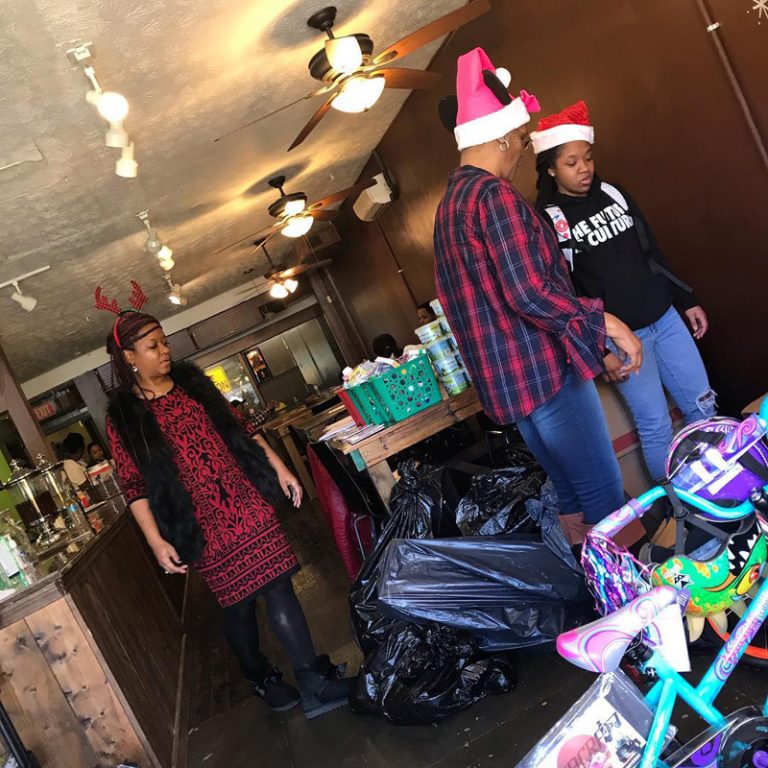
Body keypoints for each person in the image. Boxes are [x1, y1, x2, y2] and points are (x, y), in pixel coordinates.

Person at [433, 48, 643, 544]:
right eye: (523, 140)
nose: (522, 151)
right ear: (503, 135)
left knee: (571, 496)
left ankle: (588, 586)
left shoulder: (449, 207)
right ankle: (629, 590)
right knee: (603, 493)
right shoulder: (492, 195)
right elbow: (529, 292)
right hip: (545, 373)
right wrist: (607, 323)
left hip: (510, 386)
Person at [102, 306, 353, 718]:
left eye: (164, 341)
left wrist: (280, 467)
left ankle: (313, 681)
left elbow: (241, 428)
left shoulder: (193, 384)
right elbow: (134, 485)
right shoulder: (125, 419)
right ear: (129, 356)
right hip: (201, 523)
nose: (165, 350)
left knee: (279, 585)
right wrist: (156, 540)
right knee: (239, 604)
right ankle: (259, 674)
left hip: (245, 500)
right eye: (152, 346)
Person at [532, 101, 715, 481]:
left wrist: (686, 300)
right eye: (571, 163)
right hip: (620, 339)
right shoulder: (550, 222)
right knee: (656, 426)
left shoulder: (614, 193)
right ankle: (682, 506)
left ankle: (726, 485)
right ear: (550, 168)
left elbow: (652, 253)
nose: (584, 168)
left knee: (703, 406)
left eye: (588, 158)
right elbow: (565, 295)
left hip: (665, 318)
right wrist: (599, 352)